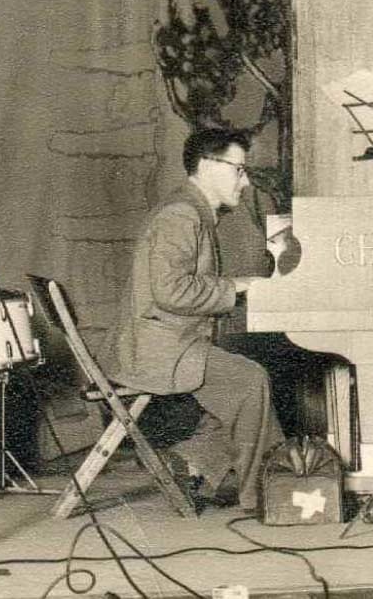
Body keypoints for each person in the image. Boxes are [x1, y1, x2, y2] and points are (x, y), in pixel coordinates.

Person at [106, 127, 285, 513]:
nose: (246, 180)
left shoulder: (191, 211)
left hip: (172, 341)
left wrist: (235, 289)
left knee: (246, 381)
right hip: (162, 349)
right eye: (239, 170)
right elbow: (171, 291)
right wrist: (235, 286)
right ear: (207, 166)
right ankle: (262, 496)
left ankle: (190, 462)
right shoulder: (182, 215)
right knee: (252, 381)